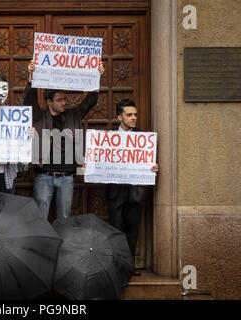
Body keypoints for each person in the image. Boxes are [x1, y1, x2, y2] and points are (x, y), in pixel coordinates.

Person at [24, 60, 105, 220]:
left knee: (64, 220)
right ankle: (43, 246)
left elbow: (91, 101)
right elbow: (29, 99)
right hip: (44, 176)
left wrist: (97, 76)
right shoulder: (39, 116)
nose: (64, 103)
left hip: (67, 178)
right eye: (59, 100)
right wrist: (31, 75)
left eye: (64, 99)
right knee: (40, 220)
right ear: (49, 102)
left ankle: (63, 246)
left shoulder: (73, 115)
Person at [105, 98, 159, 276]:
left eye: (135, 114)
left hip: (135, 191)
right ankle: (116, 266)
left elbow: (148, 161)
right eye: (129, 115)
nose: (134, 118)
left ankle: (129, 265)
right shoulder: (107, 138)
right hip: (115, 191)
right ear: (119, 117)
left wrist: (153, 167)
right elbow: (100, 159)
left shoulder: (144, 139)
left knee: (132, 229)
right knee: (115, 228)